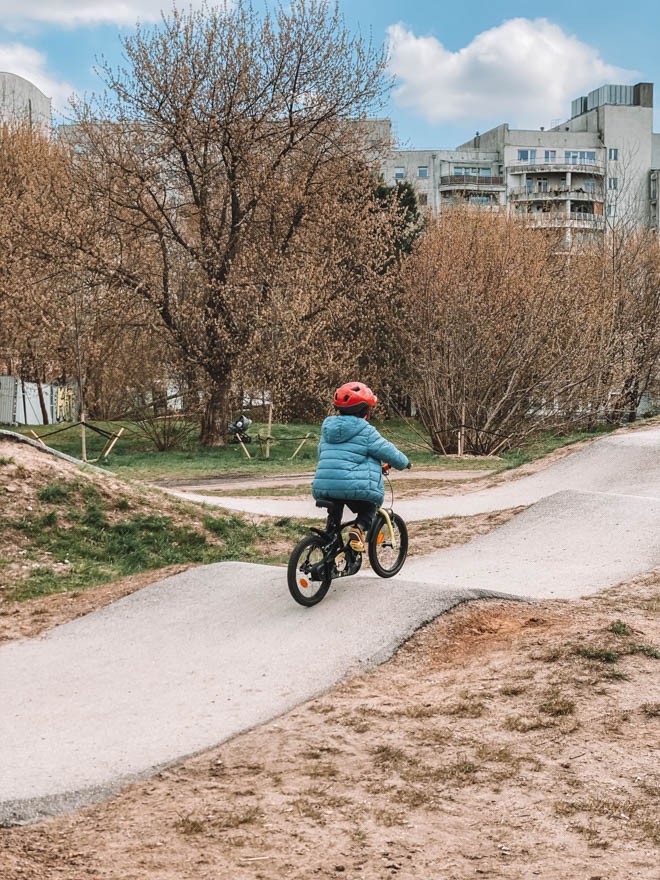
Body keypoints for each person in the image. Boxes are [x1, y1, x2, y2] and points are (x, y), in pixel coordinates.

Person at [312, 381, 411, 552]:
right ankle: (358, 529)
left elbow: (322, 453)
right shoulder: (366, 431)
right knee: (369, 507)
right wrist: (404, 462)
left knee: (335, 510)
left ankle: (328, 541)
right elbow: (387, 450)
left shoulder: (327, 429)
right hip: (352, 487)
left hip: (324, 486)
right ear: (365, 410)